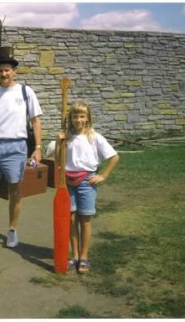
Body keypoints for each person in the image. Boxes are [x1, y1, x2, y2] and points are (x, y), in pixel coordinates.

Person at [0, 46, 43, 248]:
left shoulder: (25, 92)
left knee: (15, 191)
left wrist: (38, 147)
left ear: (14, 71)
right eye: (0, 70)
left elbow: (36, 120)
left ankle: (12, 230)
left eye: (7, 70)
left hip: (16, 147)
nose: (4, 73)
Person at [58, 101, 119, 273]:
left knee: (84, 220)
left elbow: (114, 157)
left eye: (82, 116)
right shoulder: (67, 137)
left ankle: (84, 257)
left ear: (88, 118)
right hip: (67, 182)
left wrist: (103, 175)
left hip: (86, 182)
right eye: (75, 116)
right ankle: (75, 256)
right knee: (70, 220)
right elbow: (58, 160)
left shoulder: (95, 137)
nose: (78, 120)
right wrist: (59, 142)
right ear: (70, 118)